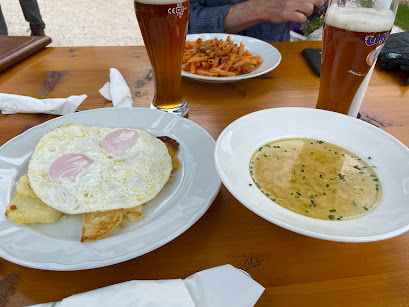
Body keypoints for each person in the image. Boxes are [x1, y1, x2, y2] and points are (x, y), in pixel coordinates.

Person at [189, 0, 325, 42]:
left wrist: (319, 5)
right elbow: (182, 22)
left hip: (277, 74)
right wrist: (263, 8)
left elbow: (311, 14)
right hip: (198, 74)